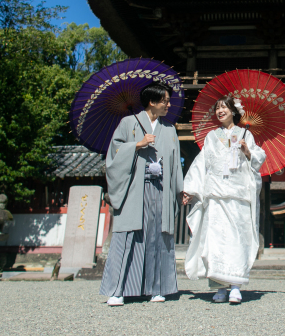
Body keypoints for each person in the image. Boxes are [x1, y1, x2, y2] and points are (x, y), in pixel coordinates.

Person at [99, 81, 184, 306]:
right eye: (165, 100)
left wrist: (180, 189)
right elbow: (114, 152)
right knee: (128, 236)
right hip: (134, 188)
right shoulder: (128, 123)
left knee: (158, 236)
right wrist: (136, 145)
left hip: (160, 189)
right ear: (152, 102)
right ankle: (117, 290)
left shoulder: (169, 129)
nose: (168, 104)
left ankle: (156, 288)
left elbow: (176, 164)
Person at [182, 95, 266, 304]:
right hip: (216, 193)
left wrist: (248, 152)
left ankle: (235, 285)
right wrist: (191, 188)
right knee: (216, 239)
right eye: (217, 108)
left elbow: (258, 158)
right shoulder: (211, 136)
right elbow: (202, 163)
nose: (220, 111)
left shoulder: (246, 134)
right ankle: (218, 285)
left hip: (237, 193)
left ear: (233, 111)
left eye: (224, 108)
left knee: (237, 238)